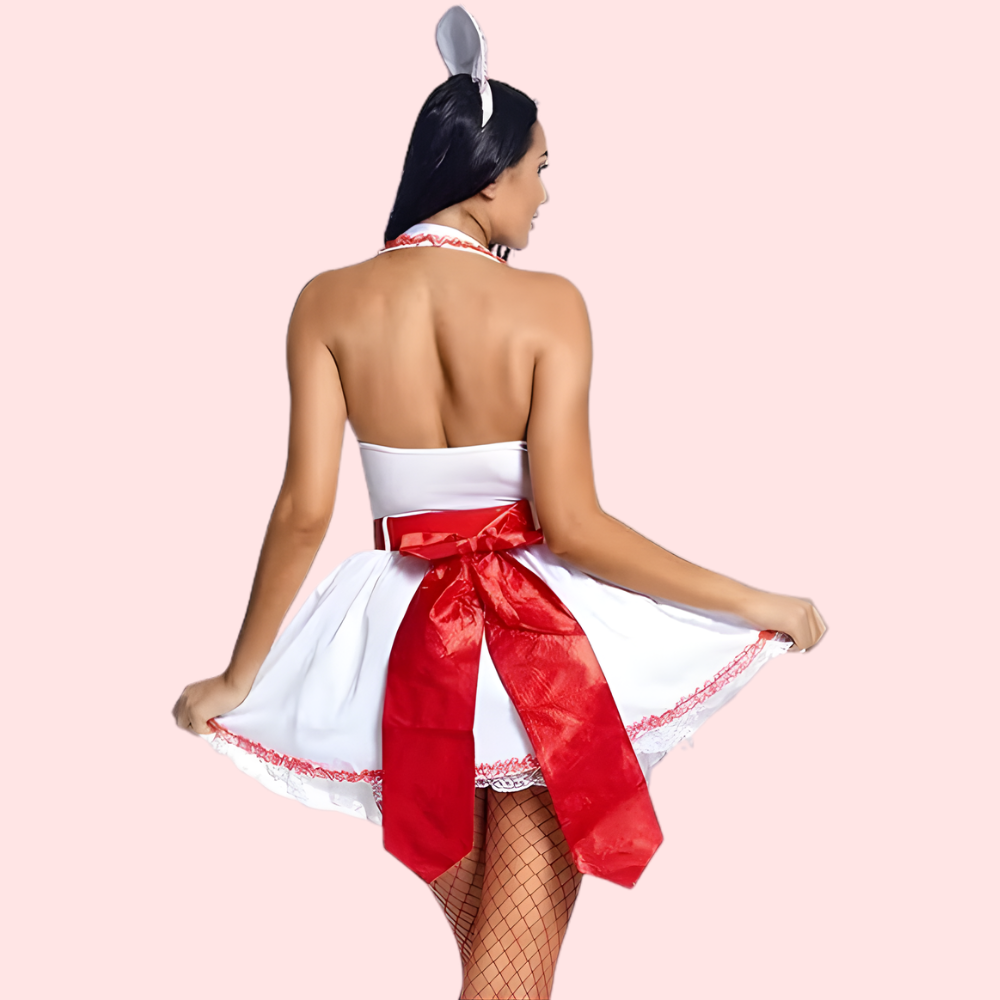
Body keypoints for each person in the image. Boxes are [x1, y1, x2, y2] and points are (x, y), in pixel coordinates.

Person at [173, 7, 827, 998]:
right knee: (512, 973)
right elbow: (576, 526)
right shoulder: (549, 305)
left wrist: (240, 674)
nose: (545, 194)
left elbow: (305, 511)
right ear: (488, 176)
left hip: (398, 651)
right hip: (531, 657)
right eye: (539, 169)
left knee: (501, 960)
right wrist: (755, 600)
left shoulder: (325, 301)